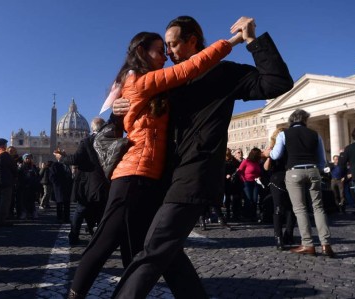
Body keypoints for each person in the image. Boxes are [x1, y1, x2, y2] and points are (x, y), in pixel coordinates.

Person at [108, 16, 293, 299]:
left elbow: (277, 82)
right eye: (165, 47)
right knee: (169, 257)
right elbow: (138, 118)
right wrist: (120, 108)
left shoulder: (223, 73)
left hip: (195, 175)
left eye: (172, 45)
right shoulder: (167, 83)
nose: (168, 53)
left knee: (154, 249)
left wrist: (254, 41)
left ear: (192, 41)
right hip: (162, 178)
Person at [68, 23, 242, 298]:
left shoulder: (152, 85)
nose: (165, 57)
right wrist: (231, 42)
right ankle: (75, 294)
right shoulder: (139, 79)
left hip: (149, 175)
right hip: (133, 173)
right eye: (160, 51)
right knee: (105, 239)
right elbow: (188, 68)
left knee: (136, 243)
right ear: (141, 51)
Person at [267, 109, 334, 257]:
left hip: (294, 171)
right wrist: (319, 170)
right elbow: (322, 160)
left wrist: (269, 153)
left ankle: (308, 244)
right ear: (305, 120)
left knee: (300, 209)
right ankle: (326, 244)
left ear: (291, 121)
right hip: (313, 171)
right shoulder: (315, 134)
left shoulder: (284, 134)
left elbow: (276, 155)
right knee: (318, 207)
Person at [53, 117, 109, 246]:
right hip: (105, 182)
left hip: (88, 183)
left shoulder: (87, 141)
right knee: (100, 210)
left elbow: (75, 159)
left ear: (92, 128)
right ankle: (100, 237)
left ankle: (74, 235)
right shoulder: (108, 141)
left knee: (80, 210)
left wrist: (62, 157)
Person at [263, 128, 296, 250]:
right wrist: (268, 156)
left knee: (285, 208)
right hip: (283, 178)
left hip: (282, 179)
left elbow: (266, 168)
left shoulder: (280, 149)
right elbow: (266, 167)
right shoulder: (277, 149)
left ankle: (283, 236)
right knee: (284, 208)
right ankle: (282, 236)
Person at [0, 138, 18, 227]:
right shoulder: (4, 154)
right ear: (3, 145)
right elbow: (13, 167)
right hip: (5, 181)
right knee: (4, 202)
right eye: (5, 145)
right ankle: (2, 220)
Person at [238, 147, 262, 220]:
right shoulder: (246, 161)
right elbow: (240, 171)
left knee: (255, 199)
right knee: (248, 199)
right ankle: (247, 215)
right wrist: (244, 180)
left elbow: (259, 172)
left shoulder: (257, 162)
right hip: (247, 182)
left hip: (256, 182)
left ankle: (253, 215)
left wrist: (259, 177)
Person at [50, 150, 73, 223]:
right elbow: (52, 177)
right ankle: (59, 218)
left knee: (67, 203)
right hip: (59, 187)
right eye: (61, 155)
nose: (62, 157)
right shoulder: (55, 165)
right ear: (57, 157)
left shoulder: (67, 165)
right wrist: (57, 185)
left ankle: (66, 218)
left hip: (67, 187)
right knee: (59, 203)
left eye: (63, 155)